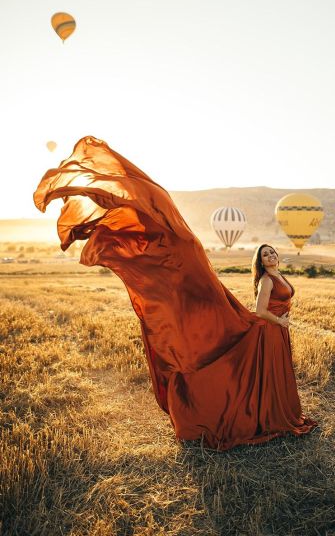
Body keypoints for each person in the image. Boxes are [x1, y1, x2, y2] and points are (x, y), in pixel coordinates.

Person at [33, 136, 316, 450]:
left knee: (271, 377)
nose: (270, 257)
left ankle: (276, 414)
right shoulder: (191, 246)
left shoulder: (268, 273)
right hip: (269, 326)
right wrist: (278, 322)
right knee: (249, 370)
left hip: (272, 328)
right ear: (260, 262)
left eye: (272, 253)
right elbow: (260, 308)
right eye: (265, 256)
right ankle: (242, 414)